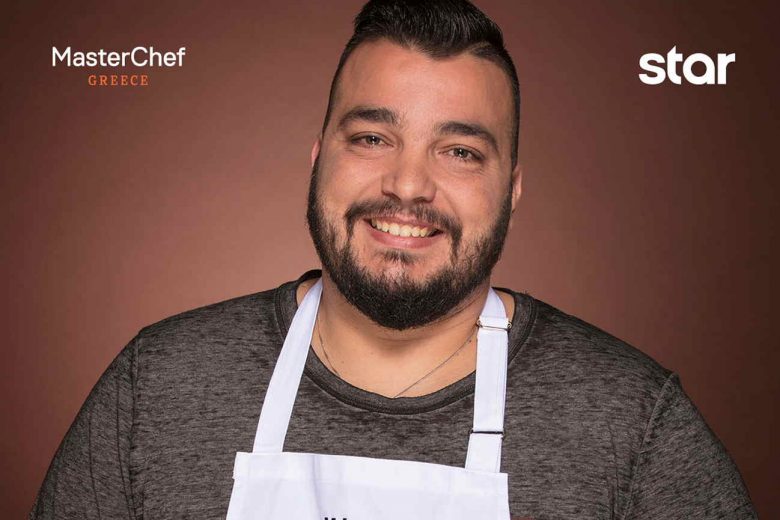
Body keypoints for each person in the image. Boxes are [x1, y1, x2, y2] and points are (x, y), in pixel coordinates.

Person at [30, 1, 757, 518]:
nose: (408, 186)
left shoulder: (632, 424)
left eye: (459, 151)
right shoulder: (158, 387)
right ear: (318, 159)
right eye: (372, 138)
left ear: (512, 189)